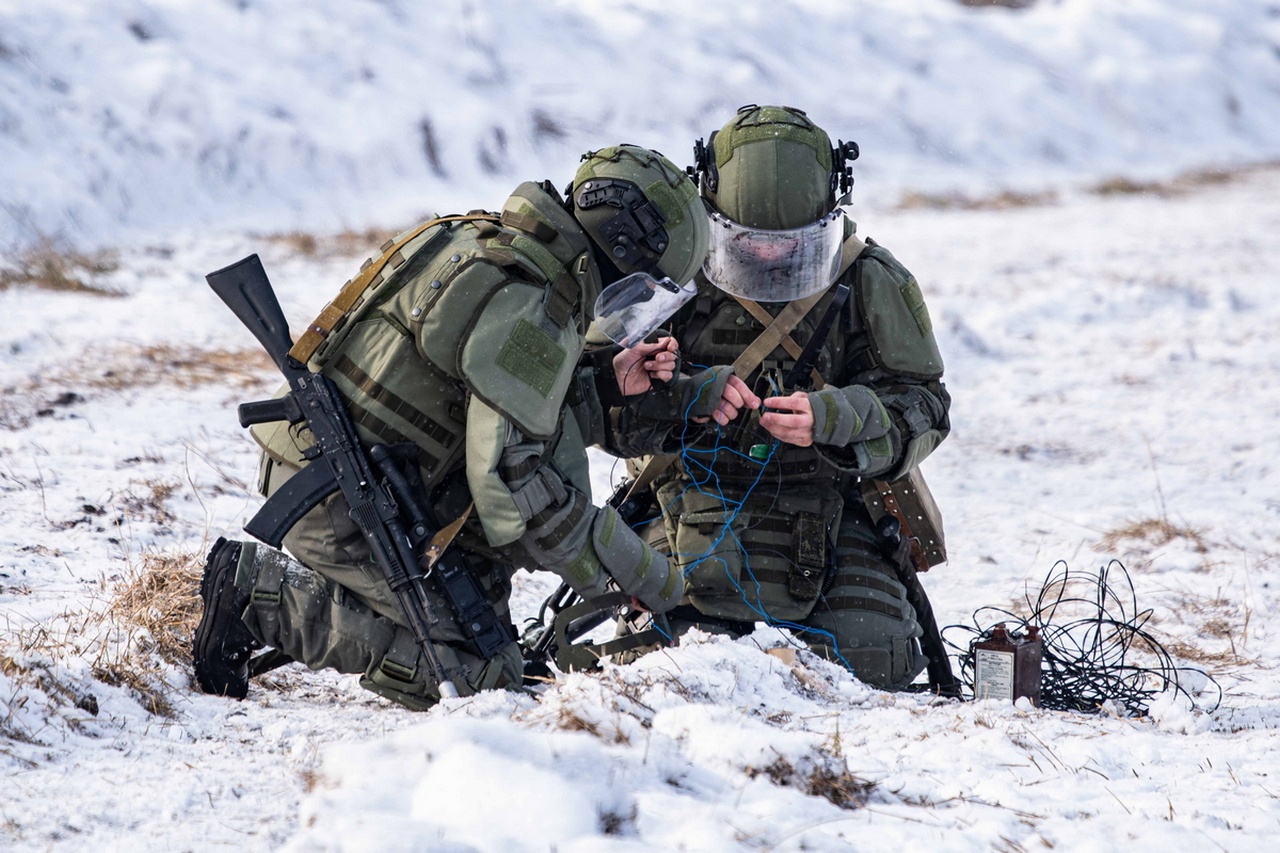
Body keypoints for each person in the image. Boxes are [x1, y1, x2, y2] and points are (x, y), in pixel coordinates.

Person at [192, 144, 758, 709]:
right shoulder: (534, 303)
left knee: (497, 646)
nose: (631, 306)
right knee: (482, 684)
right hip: (342, 502)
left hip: (347, 474)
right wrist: (639, 576)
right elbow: (519, 487)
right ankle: (255, 595)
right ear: (620, 250)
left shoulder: (488, 240)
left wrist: (605, 385)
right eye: (641, 287)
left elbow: (489, 411)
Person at [607, 106, 952, 690]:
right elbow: (596, 399)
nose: (767, 256)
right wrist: (672, 393)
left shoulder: (870, 280)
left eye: (789, 245)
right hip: (687, 493)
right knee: (659, 659)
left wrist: (837, 418)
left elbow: (924, 405)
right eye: (747, 243)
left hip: (832, 501)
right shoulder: (668, 276)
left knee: (874, 656)